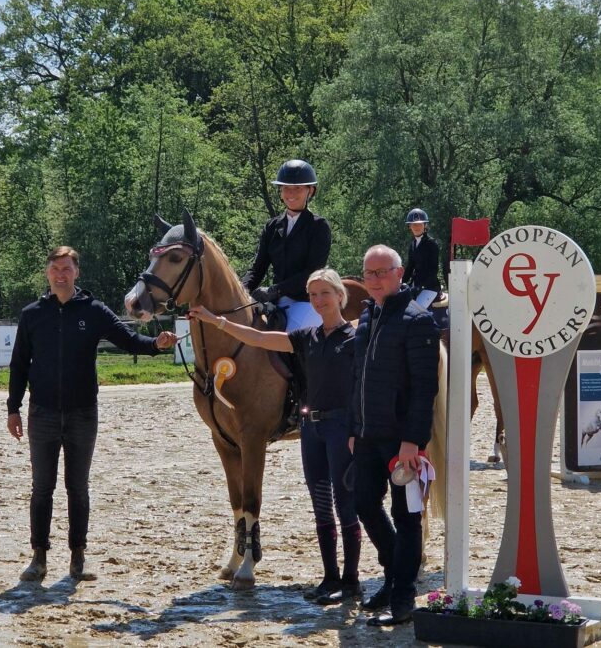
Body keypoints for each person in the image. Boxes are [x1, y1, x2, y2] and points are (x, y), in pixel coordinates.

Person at [189, 268, 362, 603]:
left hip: (340, 425)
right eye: (317, 295)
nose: (320, 300)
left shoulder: (354, 334)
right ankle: (330, 577)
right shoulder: (308, 335)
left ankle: (351, 578)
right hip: (313, 427)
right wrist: (217, 320)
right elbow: (258, 338)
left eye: (326, 294)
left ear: (341, 296)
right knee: (322, 505)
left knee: (345, 504)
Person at [7, 246, 177, 582]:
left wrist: (154, 345)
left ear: (76, 272)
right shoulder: (32, 314)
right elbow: (18, 364)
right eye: (55, 268)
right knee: (42, 487)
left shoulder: (95, 310)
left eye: (67, 268)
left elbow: (128, 340)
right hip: (41, 413)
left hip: (83, 413)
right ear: (47, 272)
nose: (61, 274)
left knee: (77, 487)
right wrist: (13, 408)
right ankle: (38, 557)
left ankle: (78, 558)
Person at [350, 245, 440, 626]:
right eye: (368, 273)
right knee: (364, 503)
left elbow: (424, 387)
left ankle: (403, 599)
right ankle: (393, 575)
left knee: (406, 517)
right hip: (368, 437)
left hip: (401, 441)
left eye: (381, 272)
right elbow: (359, 380)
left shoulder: (418, 320)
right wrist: (356, 429)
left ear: (399, 273)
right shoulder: (368, 316)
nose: (374, 280)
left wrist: (413, 441)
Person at [241, 159, 331, 332]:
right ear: (280, 192)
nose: (291, 193)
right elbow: (258, 268)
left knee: (290, 340)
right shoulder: (272, 226)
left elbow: (312, 272)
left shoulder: (319, 227)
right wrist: (238, 289)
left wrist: (275, 289)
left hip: (306, 302)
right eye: (286, 188)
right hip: (275, 303)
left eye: (297, 188)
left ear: (310, 190)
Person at [402, 208, 442, 310]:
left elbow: (433, 270)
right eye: (413, 224)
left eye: (419, 224)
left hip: (430, 288)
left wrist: (421, 286)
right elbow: (410, 267)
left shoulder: (431, 244)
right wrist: (402, 282)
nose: (416, 227)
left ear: (425, 225)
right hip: (416, 286)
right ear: (409, 226)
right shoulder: (413, 244)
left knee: (417, 310)